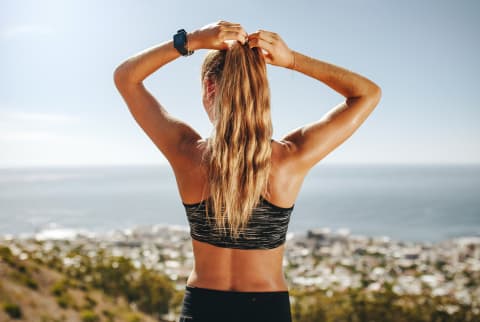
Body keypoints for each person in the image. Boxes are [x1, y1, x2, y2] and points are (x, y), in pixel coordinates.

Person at [114, 20, 381, 322]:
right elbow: (366, 94)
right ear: (259, 89)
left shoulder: (185, 152)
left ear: (209, 87)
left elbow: (126, 78)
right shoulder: (290, 159)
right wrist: (292, 60)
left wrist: (191, 41)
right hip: (267, 311)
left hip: (202, 309)